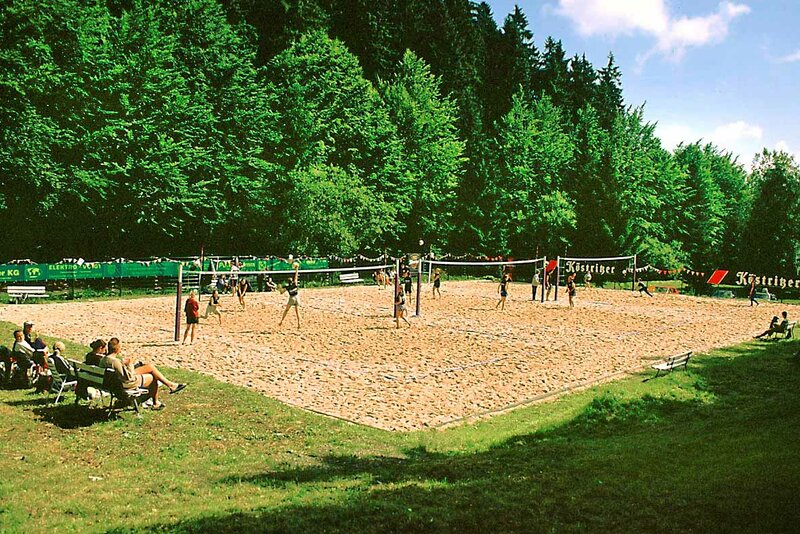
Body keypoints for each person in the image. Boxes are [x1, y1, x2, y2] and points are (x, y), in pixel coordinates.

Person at [100, 337, 186, 410]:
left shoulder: (104, 360)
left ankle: (171, 385)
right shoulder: (115, 362)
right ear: (117, 348)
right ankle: (156, 403)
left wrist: (125, 365)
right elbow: (129, 378)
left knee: (150, 367)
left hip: (112, 383)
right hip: (125, 384)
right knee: (152, 377)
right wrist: (130, 364)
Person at [278, 263, 301, 329]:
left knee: (286, 310)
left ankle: (281, 321)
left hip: (292, 298)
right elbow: (296, 276)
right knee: (297, 312)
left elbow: (281, 292)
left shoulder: (287, 287)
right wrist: (296, 268)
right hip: (297, 297)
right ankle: (299, 323)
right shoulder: (295, 283)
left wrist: (279, 288)